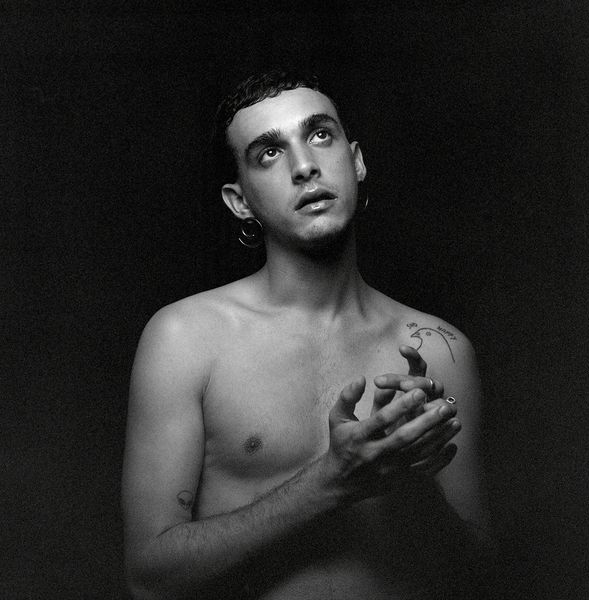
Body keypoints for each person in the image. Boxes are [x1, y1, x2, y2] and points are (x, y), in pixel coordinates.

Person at [122, 70, 493, 600]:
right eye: (269, 153)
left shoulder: (441, 349)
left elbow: (481, 578)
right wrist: (331, 481)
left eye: (320, 134)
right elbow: (148, 580)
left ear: (356, 161)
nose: (304, 166)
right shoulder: (184, 338)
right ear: (239, 201)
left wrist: (412, 484)